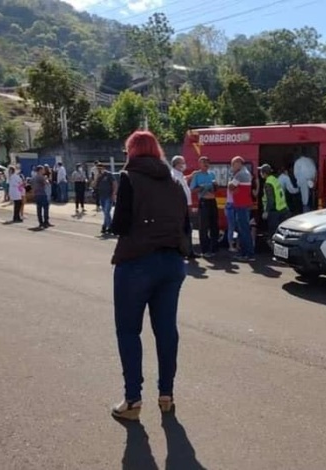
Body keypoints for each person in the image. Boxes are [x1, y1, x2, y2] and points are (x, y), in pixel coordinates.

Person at [108, 130, 189, 420]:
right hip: (172, 263)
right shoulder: (175, 182)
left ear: (131, 151)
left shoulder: (129, 178)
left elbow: (119, 225)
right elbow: (185, 225)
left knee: (129, 331)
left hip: (137, 262)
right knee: (166, 330)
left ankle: (133, 400)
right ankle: (166, 394)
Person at [189, 156, 218, 257]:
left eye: (207, 162)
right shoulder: (197, 175)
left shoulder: (212, 174)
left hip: (213, 201)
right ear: (199, 164)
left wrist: (215, 186)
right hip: (204, 202)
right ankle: (205, 250)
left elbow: (215, 189)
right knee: (204, 226)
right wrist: (201, 187)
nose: (206, 164)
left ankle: (214, 249)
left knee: (214, 226)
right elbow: (192, 189)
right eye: (203, 162)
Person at [171, 155, 198, 259]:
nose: (184, 165)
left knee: (187, 229)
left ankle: (189, 251)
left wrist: (190, 176)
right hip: (179, 207)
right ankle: (183, 251)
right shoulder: (173, 175)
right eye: (182, 163)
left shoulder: (180, 174)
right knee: (182, 229)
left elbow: (184, 180)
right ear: (176, 164)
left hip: (185, 206)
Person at [229, 156, 255, 261]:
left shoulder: (240, 174)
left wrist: (232, 188)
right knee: (243, 230)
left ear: (239, 163)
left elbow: (230, 186)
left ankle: (248, 254)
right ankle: (245, 253)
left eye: (233, 164)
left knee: (244, 230)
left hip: (241, 206)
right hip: (242, 205)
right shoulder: (245, 172)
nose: (232, 167)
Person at [259, 164, 289, 242]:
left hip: (274, 211)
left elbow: (271, 199)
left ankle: (274, 249)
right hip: (283, 208)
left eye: (261, 172)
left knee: (273, 233)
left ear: (264, 173)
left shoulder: (268, 183)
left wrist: (266, 211)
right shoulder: (275, 179)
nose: (260, 174)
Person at [95, 163, 117, 235]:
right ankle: (104, 226)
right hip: (101, 196)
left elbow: (114, 183)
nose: (99, 169)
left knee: (107, 212)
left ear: (103, 168)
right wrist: (97, 178)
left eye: (100, 168)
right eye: (98, 168)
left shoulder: (108, 174)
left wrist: (114, 193)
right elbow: (94, 185)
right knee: (105, 212)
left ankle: (110, 227)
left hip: (108, 196)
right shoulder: (98, 176)